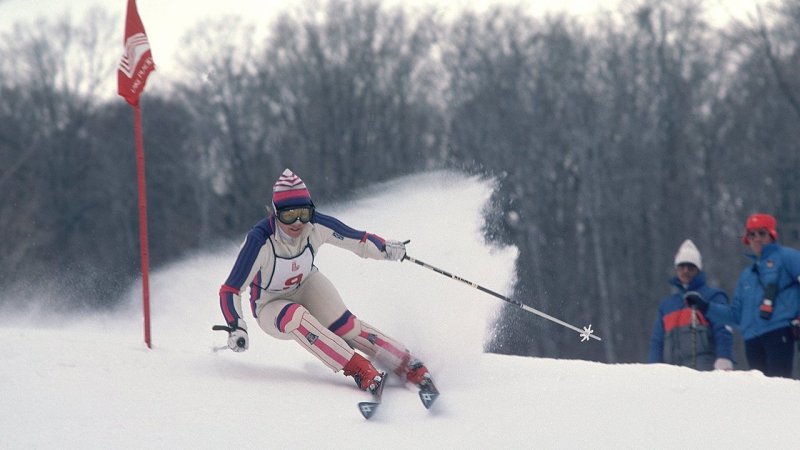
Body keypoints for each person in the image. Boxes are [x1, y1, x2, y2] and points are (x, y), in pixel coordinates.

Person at [217, 168, 432, 393]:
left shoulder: (316, 225)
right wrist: (236, 326)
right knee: (296, 317)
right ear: (276, 213)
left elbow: (358, 240)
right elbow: (231, 289)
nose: (297, 222)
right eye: (289, 215)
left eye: (304, 213)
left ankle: (406, 363)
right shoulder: (259, 240)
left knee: (345, 326)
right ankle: (360, 370)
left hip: (306, 284)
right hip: (269, 304)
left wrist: (385, 248)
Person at [686, 213, 800, 378]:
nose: (757, 238)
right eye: (752, 234)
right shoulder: (747, 275)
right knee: (759, 390)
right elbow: (736, 315)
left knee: (778, 386)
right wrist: (705, 307)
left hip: (778, 332)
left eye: (762, 233)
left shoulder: (787, 257)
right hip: (751, 340)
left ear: (772, 235)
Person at [648, 239, 734, 371]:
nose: (685, 271)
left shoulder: (712, 297)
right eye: (681, 267)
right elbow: (657, 341)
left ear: (698, 269)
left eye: (690, 267)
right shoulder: (666, 306)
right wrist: (653, 367)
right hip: (672, 374)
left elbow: (723, 329)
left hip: (704, 371)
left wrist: (724, 357)